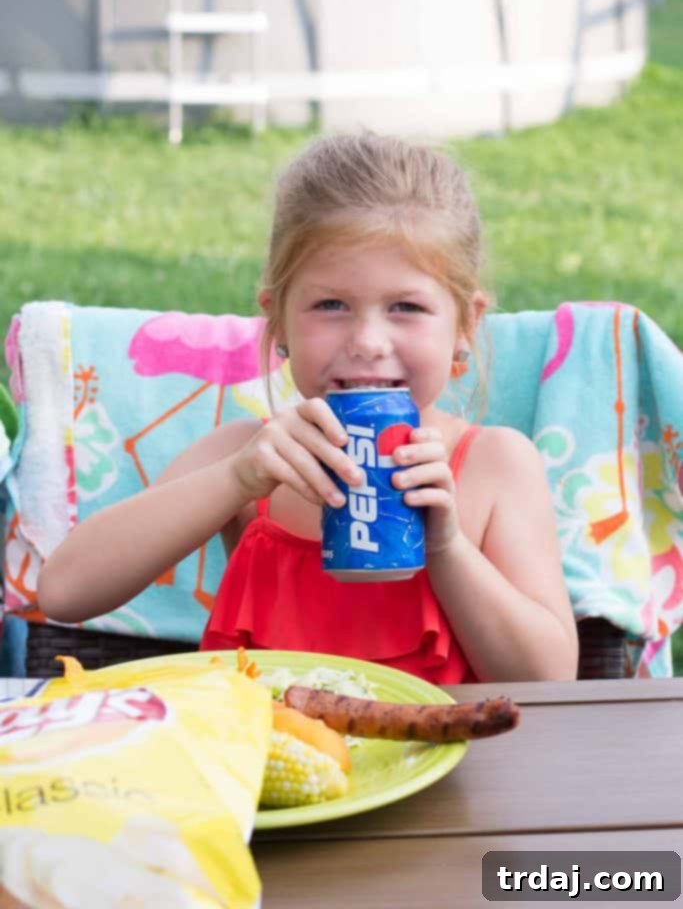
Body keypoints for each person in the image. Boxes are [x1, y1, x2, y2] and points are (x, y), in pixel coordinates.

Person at [38, 133, 578, 683]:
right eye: (331, 305)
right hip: (259, 763)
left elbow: (551, 679)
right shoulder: (245, 456)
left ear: (465, 324)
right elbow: (63, 592)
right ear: (279, 323)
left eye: (407, 307)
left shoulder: (495, 465)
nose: (368, 340)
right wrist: (236, 479)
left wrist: (446, 545)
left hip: (443, 765)